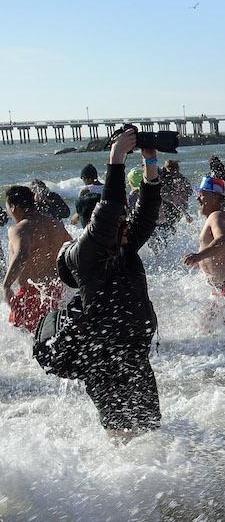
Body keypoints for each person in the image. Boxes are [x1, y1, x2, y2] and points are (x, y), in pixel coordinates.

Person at [54, 129, 162, 441]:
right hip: (102, 356)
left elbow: (148, 212)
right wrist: (115, 161)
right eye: (120, 223)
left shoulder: (123, 245)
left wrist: (150, 162)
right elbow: (110, 212)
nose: (127, 226)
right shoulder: (85, 254)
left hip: (132, 351)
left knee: (150, 429)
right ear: (93, 228)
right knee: (119, 433)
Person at [183, 176, 225, 325]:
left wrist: (198, 256)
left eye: (202, 195)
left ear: (214, 197)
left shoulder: (217, 216)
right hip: (223, 287)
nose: (198, 199)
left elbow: (221, 240)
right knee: (207, 327)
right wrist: (200, 261)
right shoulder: (215, 217)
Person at [4, 185, 72, 331]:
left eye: (8, 208)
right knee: (50, 336)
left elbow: (22, 255)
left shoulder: (20, 229)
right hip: (55, 292)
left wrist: (6, 285)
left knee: (24, 338)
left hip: (30, 296)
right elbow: (71, 248)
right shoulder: (55, 224)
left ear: (14, 207)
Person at [72, 164, 104, 228]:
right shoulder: (105, 188)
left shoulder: (85, 190)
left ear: (88, 179)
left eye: (83, 178)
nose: (83, 181)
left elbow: (80, 209)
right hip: (104, 218)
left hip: (90, 221)